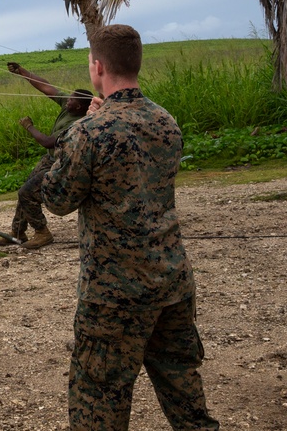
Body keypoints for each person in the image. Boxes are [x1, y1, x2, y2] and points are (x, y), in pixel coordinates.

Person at [42, 25, 218, 430]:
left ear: (98, 67)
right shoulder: (165, 120)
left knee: (98, 398)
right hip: (172, 281)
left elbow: (57, 199)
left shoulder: (88, 132)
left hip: (114, 294)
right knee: (184, 391)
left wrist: (75, 134)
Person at [0, 62, 92, 249]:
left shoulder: (78, 123)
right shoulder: (70, 105)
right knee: (25, 191)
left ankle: (42, 232)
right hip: (50, 158)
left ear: (79, 107)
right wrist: (23, 71)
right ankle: (17, 232)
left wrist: (29, 127)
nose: (67, 101)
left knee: (27, 193)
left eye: (71, 100)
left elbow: (48, 142)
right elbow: (47, 87)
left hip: (62, 164)